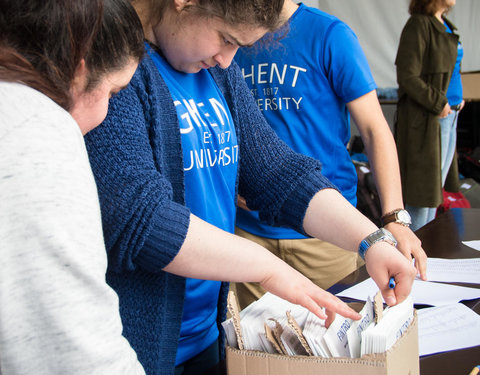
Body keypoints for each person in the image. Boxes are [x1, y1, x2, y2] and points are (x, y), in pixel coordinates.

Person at [84, 0, 417, 374]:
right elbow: (140, 220)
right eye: (226, 38)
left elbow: (278, 173)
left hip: (206, 335)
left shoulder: (214, 71)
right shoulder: (117, 65)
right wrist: (265, 266)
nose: (228, 59)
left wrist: (371, 239)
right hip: (139, 347)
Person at [232, 0, 427, 309]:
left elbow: (375, 130)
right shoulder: (227, 37)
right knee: (257, 350)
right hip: (250, 234)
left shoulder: (329, 34)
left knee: (342, 342)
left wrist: (394, 217)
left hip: (328, 231)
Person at [0, 0, 146, 373]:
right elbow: (73, 344)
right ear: (78, 67)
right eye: (113, 93)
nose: (107, 115)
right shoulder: (37, 130)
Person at [395, 0, 464, 231]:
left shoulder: (445, 25)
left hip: (449, 116)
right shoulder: (419, 25)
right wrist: (439, 102)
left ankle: (423, 254)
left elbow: (451, 71)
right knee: (421, 196)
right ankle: (411, 257)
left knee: (433, 195)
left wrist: (456, 99)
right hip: (429, 119)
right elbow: (407, 76)